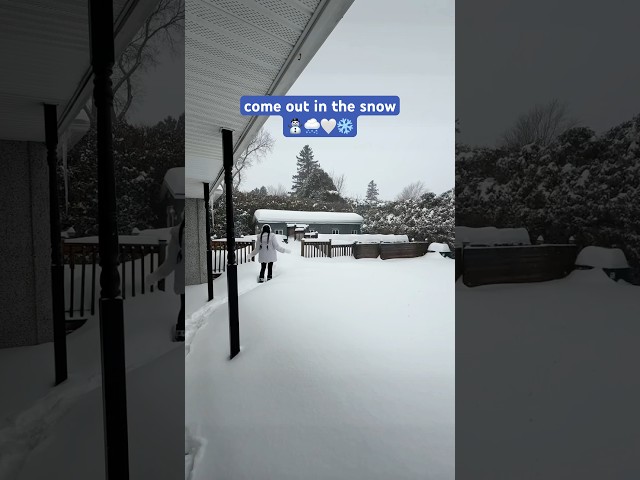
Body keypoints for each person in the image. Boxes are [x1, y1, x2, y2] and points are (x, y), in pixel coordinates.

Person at [146, 217, 185, 341]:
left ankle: (181, 333)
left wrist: (154, 277)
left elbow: (170, 263)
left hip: (184, 280)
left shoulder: (178, 234)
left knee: (184, 306)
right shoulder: (179, 234)